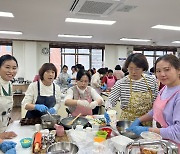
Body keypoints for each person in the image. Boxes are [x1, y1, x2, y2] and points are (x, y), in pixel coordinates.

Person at [127, 54, 180, 149]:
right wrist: (139, 119)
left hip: (174, 147)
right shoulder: (165, 89)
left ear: (178, 70)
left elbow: (178, 132)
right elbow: (156, 110)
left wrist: (148, 130)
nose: (162, 74)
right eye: (158, 71)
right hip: (162, 142)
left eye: (167, 69)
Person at [106, 53, 159, 124]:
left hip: (146, 121)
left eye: (137, 69)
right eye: (130, 68)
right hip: (127, 122)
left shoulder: (151, 81)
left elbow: (156, 101)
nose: (133, 72)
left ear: (143, 68)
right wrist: (108, 110)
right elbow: (111, 100)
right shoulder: (121, 83)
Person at [0, 55, 18, 153]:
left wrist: (7, 118)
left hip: (4, 128)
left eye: (14, 68)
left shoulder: (9, 84)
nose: (11, 71)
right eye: (7, 67)